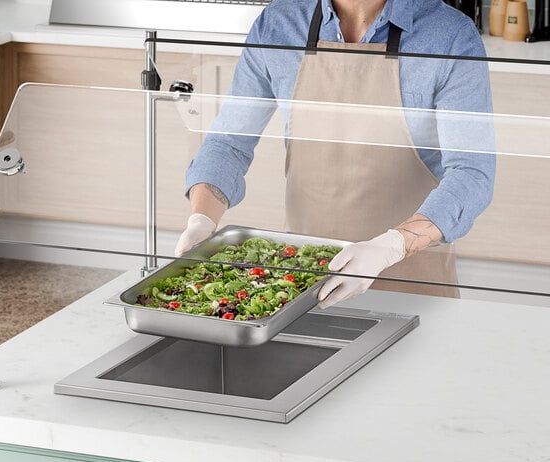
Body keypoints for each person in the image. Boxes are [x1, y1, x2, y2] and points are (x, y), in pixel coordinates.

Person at [175, 0, 496, 305]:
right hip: (303, 281)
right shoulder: (278, 24)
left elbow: (471, 173)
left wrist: (389, 247)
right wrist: (201, 220)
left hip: (412, 280)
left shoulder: (449, 35)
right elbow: (229, 141)